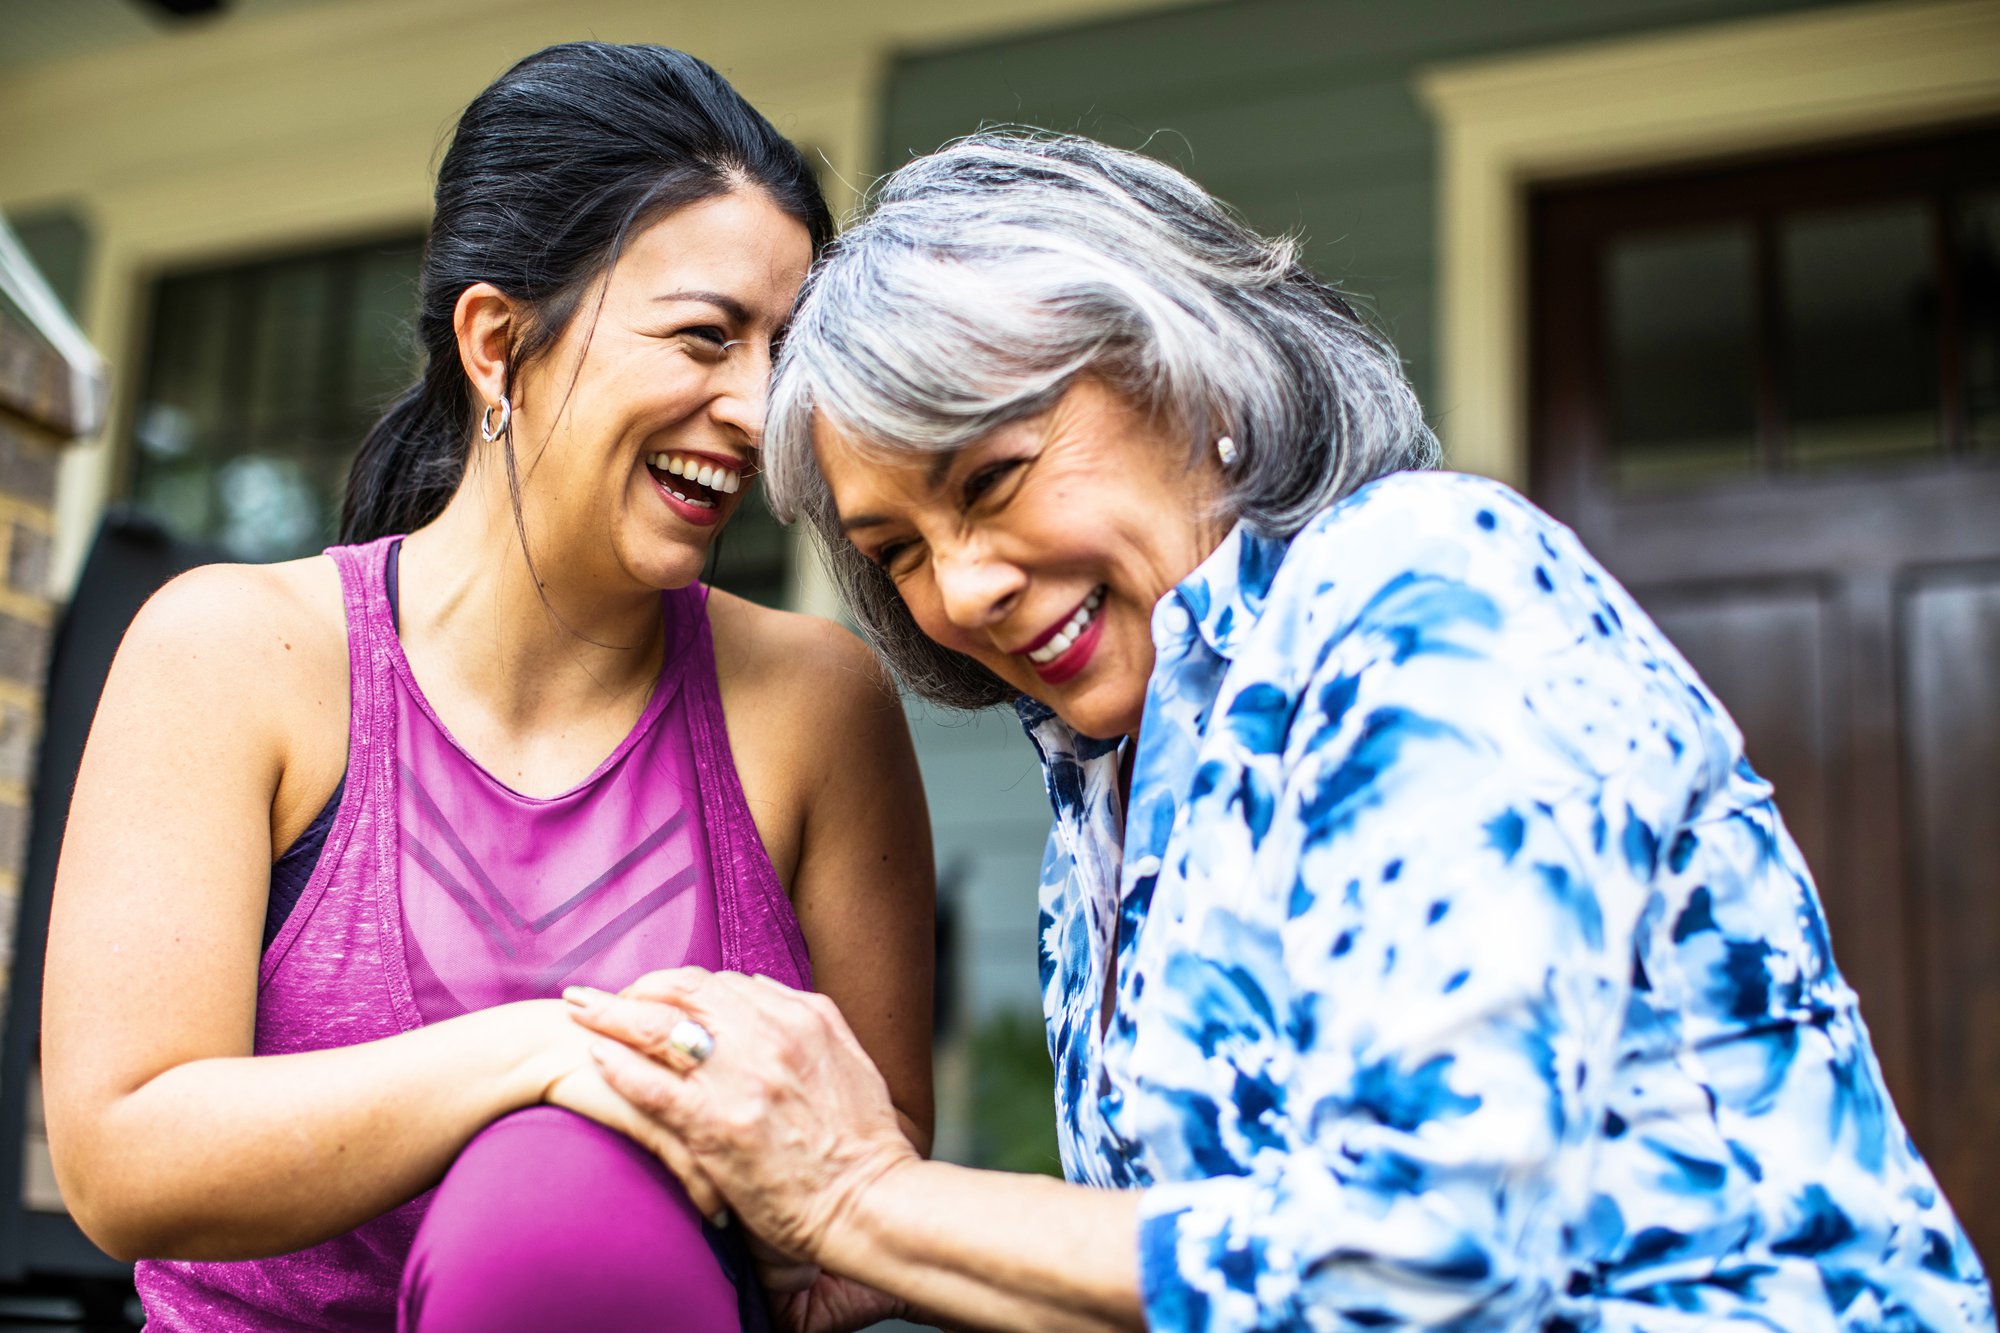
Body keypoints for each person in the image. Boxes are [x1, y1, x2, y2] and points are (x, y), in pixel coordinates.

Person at [566, 132, 1995, 1332]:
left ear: (1193, 379)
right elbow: (1211, 1257)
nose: (961, 590)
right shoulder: (1115, 780)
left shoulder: (1425, 596)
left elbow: (1420, 1247)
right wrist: (868, 1253)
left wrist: (867, 1198)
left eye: (993, 477)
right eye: (900, 549)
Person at [41, 43, 934, 1333]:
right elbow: (125, 1157)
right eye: (705, 338)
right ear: (497, 340)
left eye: (781, 355)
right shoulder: (237, 655)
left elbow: (876, 1159)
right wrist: (554, 1057)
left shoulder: (819, 704)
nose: (758, 411)